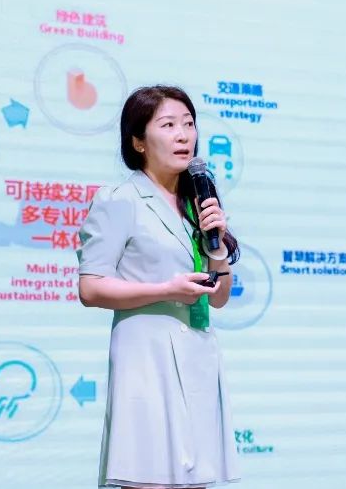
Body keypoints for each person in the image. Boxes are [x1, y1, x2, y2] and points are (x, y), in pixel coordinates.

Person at [76, 85, 241, 489]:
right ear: (138, 141)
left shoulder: (197, 203)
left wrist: (217, 246)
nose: (183, 135)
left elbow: (219, 298)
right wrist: (166, 289)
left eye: (189, 124)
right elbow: (91, 288)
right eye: (168, 125)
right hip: (146, 359)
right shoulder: (120, 200)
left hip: (197, 354)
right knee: (149, 477)